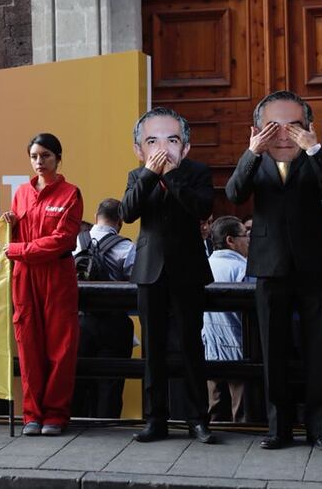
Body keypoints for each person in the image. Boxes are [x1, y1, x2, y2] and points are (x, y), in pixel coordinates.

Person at [225, 90, 322, 452]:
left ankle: (319, 428)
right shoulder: (256, 159)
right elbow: (234, 193)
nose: (283, 134)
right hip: (269, 264)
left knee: (318, 349)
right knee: (272, 350)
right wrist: (251, 151)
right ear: (258, 129)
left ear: (308, 127)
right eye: (273, 126)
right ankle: (278, 428)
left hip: (313, 264)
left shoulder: (316, 158)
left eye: (293, 126)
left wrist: (313, 149)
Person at [120, 107, 218, 444]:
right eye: (152, 141)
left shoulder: (197, 172)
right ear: (140, 149)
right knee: (153, 349)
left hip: (188, 271)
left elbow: (202, 208)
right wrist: (150, 173)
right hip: (149, 271)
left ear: (185, 146)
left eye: (172, 140)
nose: (162, 147)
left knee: (192, 346)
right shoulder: (137, 175)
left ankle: (198, 420)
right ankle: (155, 420)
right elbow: (127, 212)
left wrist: (171, 175)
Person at [2, 133, 83, 436]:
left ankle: (56, 415)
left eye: (46, 156)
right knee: (28, 346)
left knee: (60, 348)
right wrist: (9, 226)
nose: (39, 162)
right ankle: (31, 415)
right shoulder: (21, 193)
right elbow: (16, 238)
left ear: (58, 158)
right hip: (25, 277)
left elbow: (63, 239)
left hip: (57, 277)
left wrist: (19, 250)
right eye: (34, 156)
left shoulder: (71, 194)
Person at [71, 198, 135, 419]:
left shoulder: (75, 243)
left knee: (77, 378)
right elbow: (136, 283)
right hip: (114, 323)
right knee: (111, 381)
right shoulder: (126, 247)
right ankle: (107, 425)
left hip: (78, 321)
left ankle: (76, 421)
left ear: (97, 215)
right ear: (120, 221)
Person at [202, 216, 251, 423]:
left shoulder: (205, 265)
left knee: (215, 410)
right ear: (230, 240)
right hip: (240, 349)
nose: (249, 240)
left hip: (210, 350)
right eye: (245, 236)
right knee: (242, 413)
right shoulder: (243, 269)